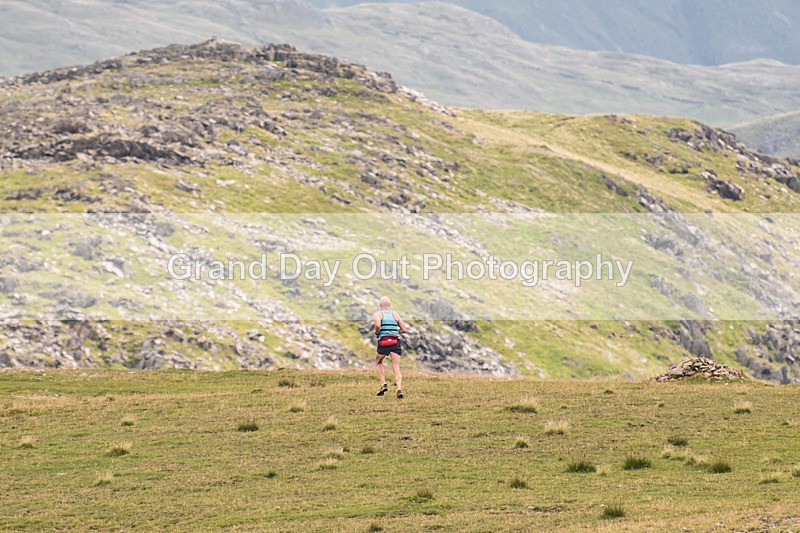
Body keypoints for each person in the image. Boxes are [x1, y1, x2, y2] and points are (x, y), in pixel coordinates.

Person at [374, 296, 407, 399]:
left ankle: (383, 384)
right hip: (395, 342)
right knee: (396, 366)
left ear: (380, 305)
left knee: (378, 362)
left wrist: (377, 333)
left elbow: (378, 325)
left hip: (384, 342)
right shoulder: (395, 314)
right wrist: (397, 332)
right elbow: (404, 329)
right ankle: (399, 389)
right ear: (389, 305)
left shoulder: (378, 314)